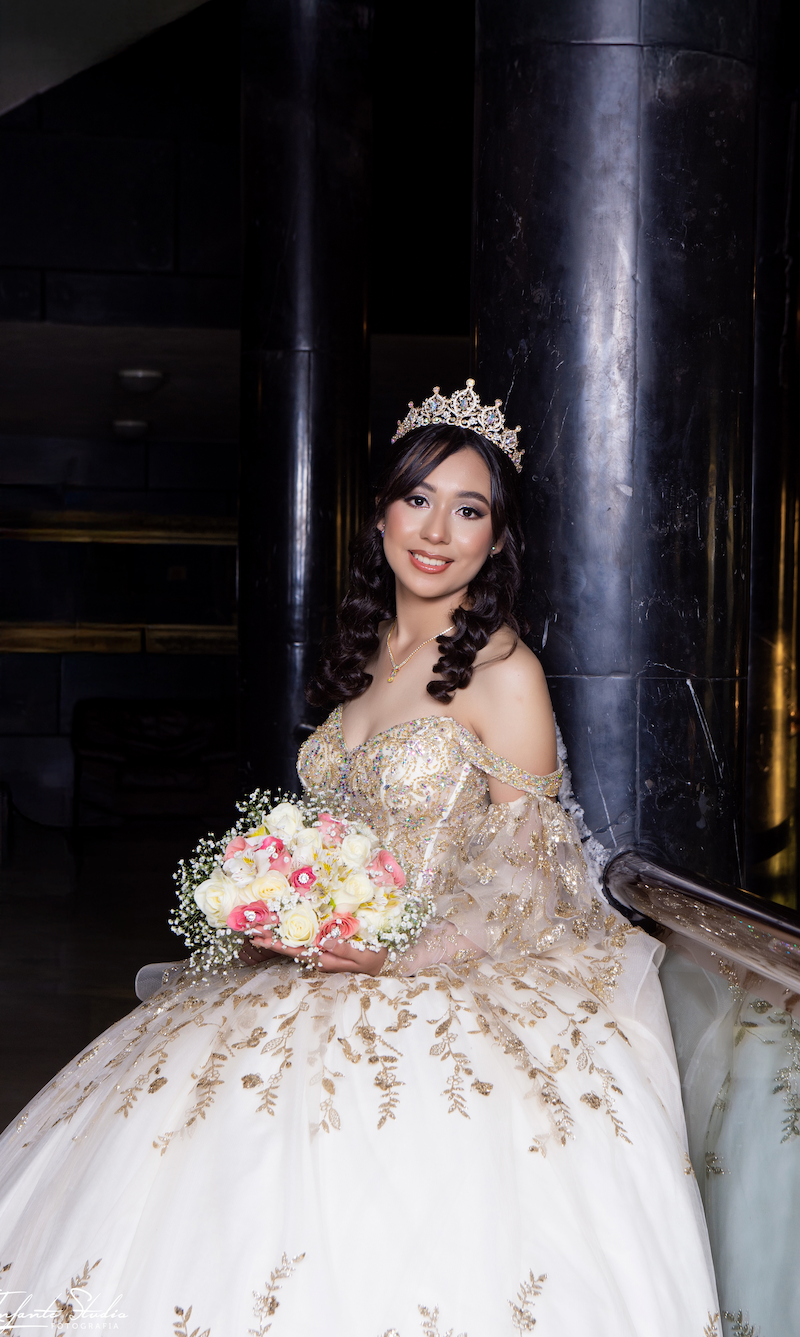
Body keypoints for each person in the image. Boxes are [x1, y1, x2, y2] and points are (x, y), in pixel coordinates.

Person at [0, 381, 719, 1336]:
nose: (437, 531)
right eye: (418, 498)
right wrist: (278, 901)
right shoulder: (371, 651)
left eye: (469, 510)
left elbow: (530, 872)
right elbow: (341, 836)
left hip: (431, 971)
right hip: (321, 962)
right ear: (381, 513)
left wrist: (398, 953)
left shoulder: (504, 672)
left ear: (497, 538)